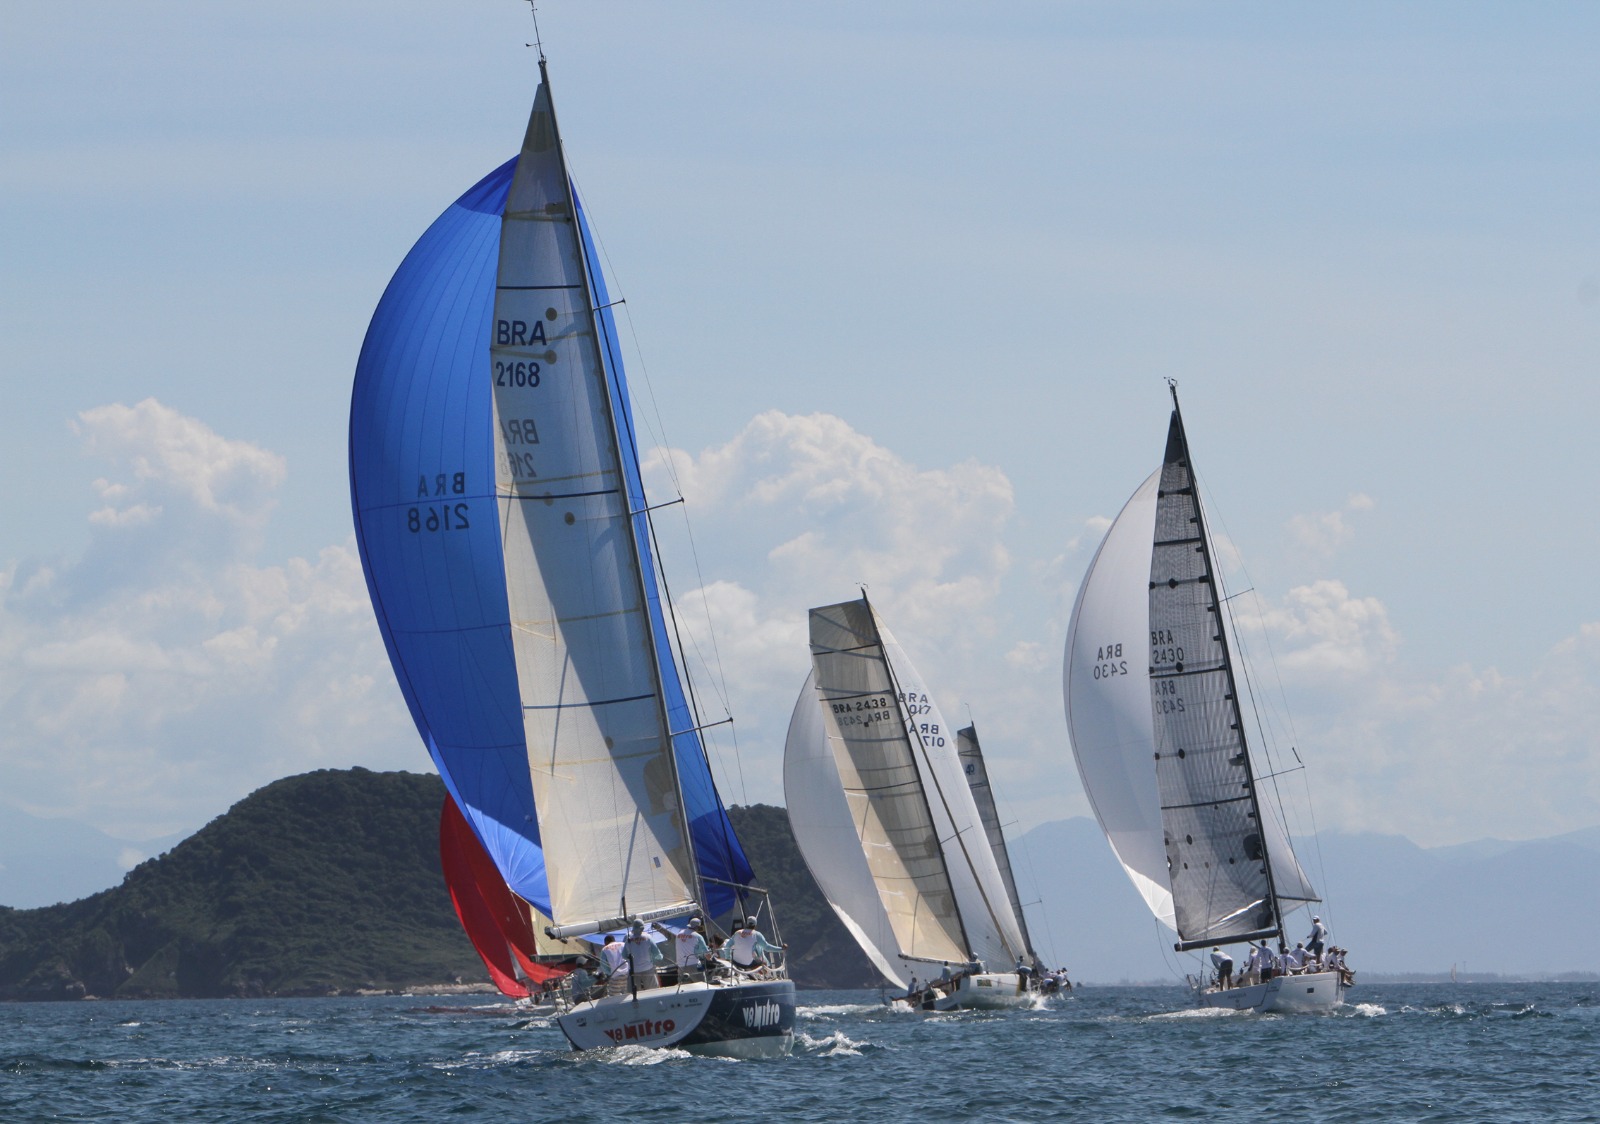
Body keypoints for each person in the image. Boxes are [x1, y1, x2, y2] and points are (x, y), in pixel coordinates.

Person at [622, 918, 665, 991]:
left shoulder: (627, 938)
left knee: (634, 992)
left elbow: (624, 955)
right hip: (648, 968)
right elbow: (657, 953)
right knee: (653, 991)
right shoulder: (648, 937)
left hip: (634, 970)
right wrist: (659, 957)